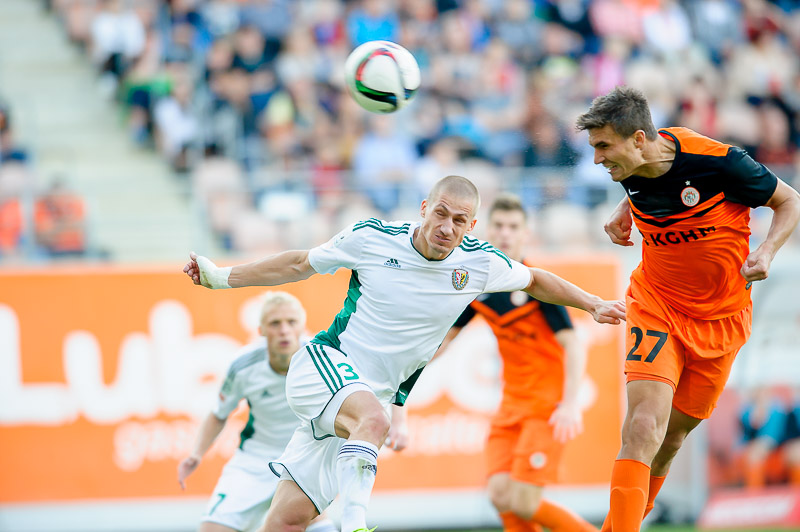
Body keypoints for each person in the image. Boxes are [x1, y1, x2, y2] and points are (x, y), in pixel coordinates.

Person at [183, 175, 626, 532]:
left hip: (360, 403)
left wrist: (592, 303)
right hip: (324, 364)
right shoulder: (372, 238)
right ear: (423, 208)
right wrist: (220, 277)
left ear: (472, 226)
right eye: (440, 213)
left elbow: (536, 280)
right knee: (374, 421)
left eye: (459, 220)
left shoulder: (479, 263)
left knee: (288, 519)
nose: (446, 227)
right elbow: (299, 263)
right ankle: (355, 524)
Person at [575, 85, 800, 532]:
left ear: (639, 138)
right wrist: (625, 207)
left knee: (670, 440)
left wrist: (767, 251)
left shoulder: (720, 163)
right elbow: (647, 174)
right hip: (656, 305)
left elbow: (790, 200)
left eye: (603, 146)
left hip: (722, 318)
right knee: (643, 426)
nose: (597, 159)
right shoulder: (632, 164)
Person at [437, 194, 597, 532]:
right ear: (487, 231)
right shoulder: (477, 286)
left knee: (524, 502)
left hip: (545, 407)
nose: (505, 233)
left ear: (526, 233)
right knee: (500, 495)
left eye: (513, 227)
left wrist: (569, 404)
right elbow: (446, 339)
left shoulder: (537, 283)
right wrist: (405, 366)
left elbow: (573, 344)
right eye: (499, 225)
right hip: (511, 405)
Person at [177, 291, 338, 532]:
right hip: (254, 460)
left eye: (291, 322)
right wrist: (197, 453)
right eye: (275, 323)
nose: (284, 330)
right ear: (261, 330)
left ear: (302, 326)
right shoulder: (244, 365)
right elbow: (219, 414)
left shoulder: (322, 359)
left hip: (303, 460)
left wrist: (390, 424)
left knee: (313, 524)